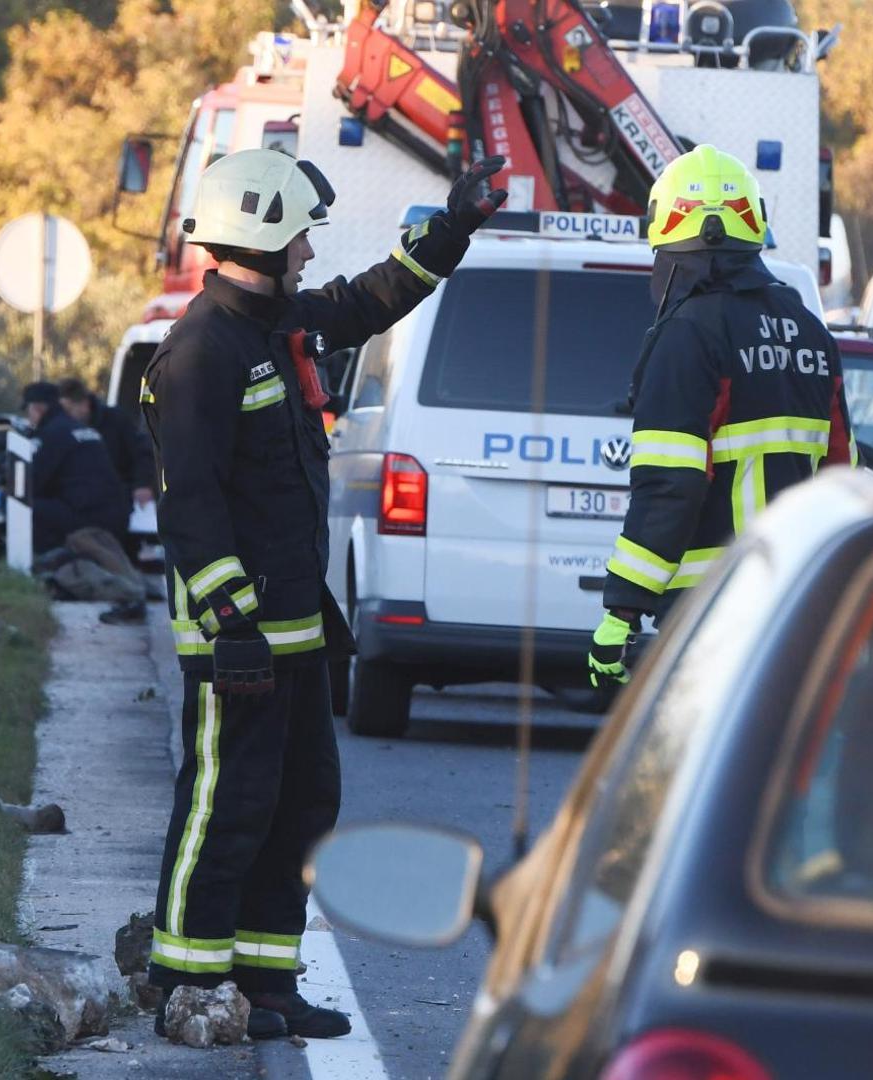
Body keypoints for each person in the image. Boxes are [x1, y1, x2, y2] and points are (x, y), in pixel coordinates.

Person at [140, 147, 508, 1040]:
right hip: (239, 643)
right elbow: (190, 506)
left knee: (301, 806)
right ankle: (187, 982)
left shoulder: (277, 327)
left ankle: (267, 986)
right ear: (261, 235)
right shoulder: (200, 356)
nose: (308, 251)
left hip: (295, 633)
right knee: (224, 808)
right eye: (299, 235)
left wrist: (453, 227)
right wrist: (231, 624)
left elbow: (367, 299)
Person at [588, 145, 857, 691]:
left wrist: (621, 612)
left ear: (668, 238)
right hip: (794, 600)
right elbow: (842, 471)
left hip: (712, 611)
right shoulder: (808, 329)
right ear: (751, 227)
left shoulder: (689, 333)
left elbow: (671, 484)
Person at [20, 381, 129, 555]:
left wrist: (1, 496)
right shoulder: (83, 429)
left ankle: (32, 567)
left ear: (38, 408)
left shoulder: (50, 433)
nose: (29, 418)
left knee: (24, 507)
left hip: (86, 518)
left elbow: (30, 484)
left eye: (28, 411)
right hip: (117, 517)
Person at [57, 377, 156, 511]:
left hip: (120, 497)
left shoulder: (116, 420)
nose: (65, 416)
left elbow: (142, 453)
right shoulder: (63, 429)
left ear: (84, 404)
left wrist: (142, 484)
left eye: (68, 410)